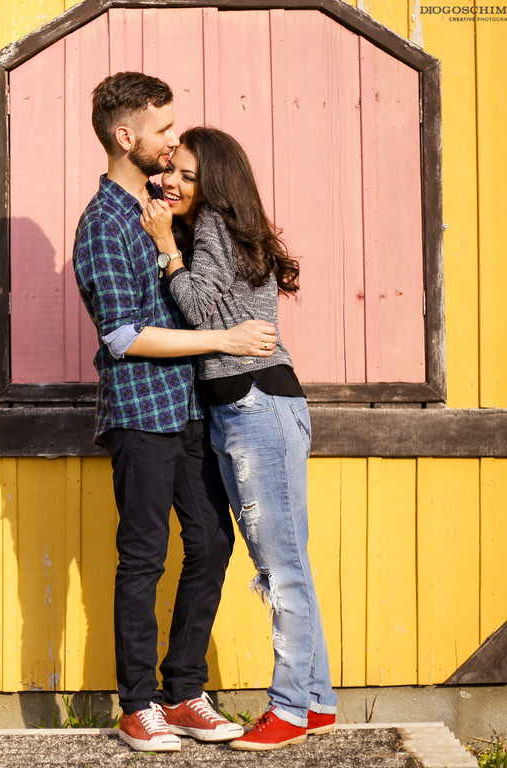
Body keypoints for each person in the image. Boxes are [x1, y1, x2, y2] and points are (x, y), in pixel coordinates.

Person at [72, 73, 277, 753]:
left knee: (213, 542)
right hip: (139, 412)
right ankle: (138, 704)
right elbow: (123, 336)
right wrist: (223, 339)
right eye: (162, 130)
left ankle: (186, 690)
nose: (171, 142)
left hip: (191, 410)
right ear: (124, 136)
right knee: (143, 556)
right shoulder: (102, 223)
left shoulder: (168, 206)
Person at [139, 126, 339, 751]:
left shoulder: (214, 232)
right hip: (253, 405)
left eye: (188, 176)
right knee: (291, 562)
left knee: (281, 569)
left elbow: (198, 308)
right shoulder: (225, 231)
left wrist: (166, 246)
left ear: (215, 185)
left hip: (255, 404)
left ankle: (287, 711)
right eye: (173, 169)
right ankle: (316, 701)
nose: (172, 182)